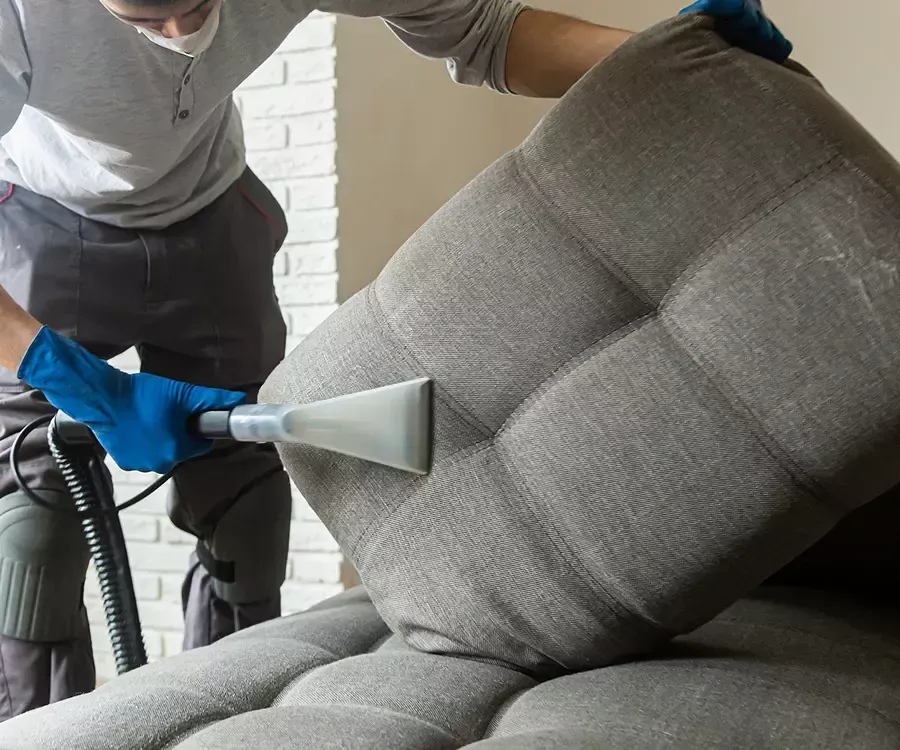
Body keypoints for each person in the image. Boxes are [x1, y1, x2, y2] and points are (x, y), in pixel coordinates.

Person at [0, 0, 791, 720]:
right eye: (144, 17)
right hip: (40, 225)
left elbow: (487, 31)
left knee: (246, 513)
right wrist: (78, 383)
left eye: (197, 6)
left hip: (208, 213)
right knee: (30, 531)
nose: (178, 39)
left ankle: (220, 724)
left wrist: (671, 56)